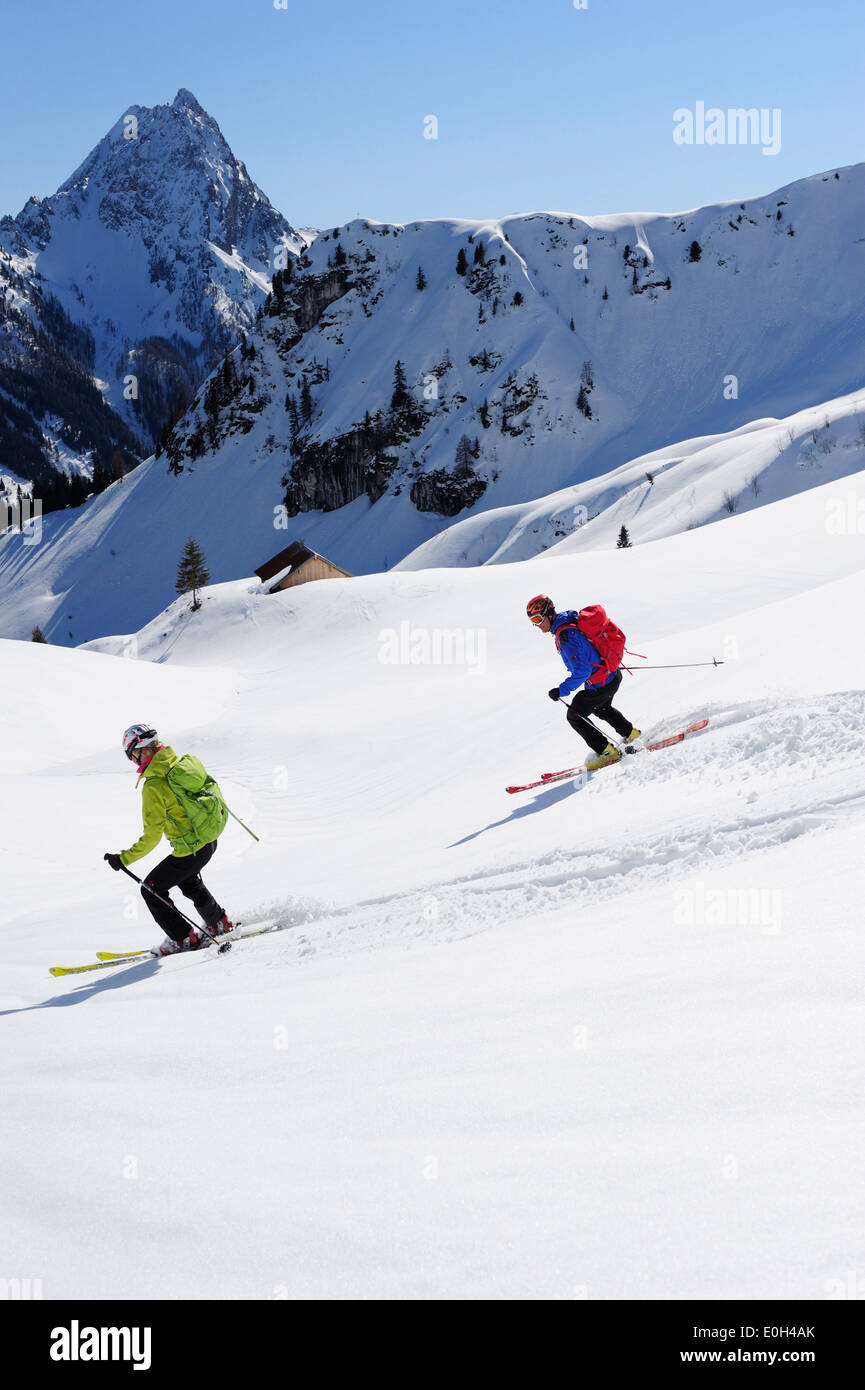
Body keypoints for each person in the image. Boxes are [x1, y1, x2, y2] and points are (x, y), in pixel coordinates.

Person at [104, 724, 235, 956]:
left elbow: (152, 837)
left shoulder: (154, 785)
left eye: (132, 755)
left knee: (150, 889)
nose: (133, 761)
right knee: (187, 879)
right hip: (208, 840)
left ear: (140, 751)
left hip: (192, 849)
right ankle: (218, 923)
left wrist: (123, 859)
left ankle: (183, 938)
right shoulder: (180, 765)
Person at [526, 595, 641, 766]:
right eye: (532, 621)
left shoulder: (565, 635)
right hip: (610, 675)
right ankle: (631, 734)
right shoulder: (568, 622)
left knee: (575, 716)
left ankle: (607, 752)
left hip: (601, 683)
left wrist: (561, 690)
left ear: (549, 614)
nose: (537, 624)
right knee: (601, 708)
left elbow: (583, 671)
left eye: (537, 619)